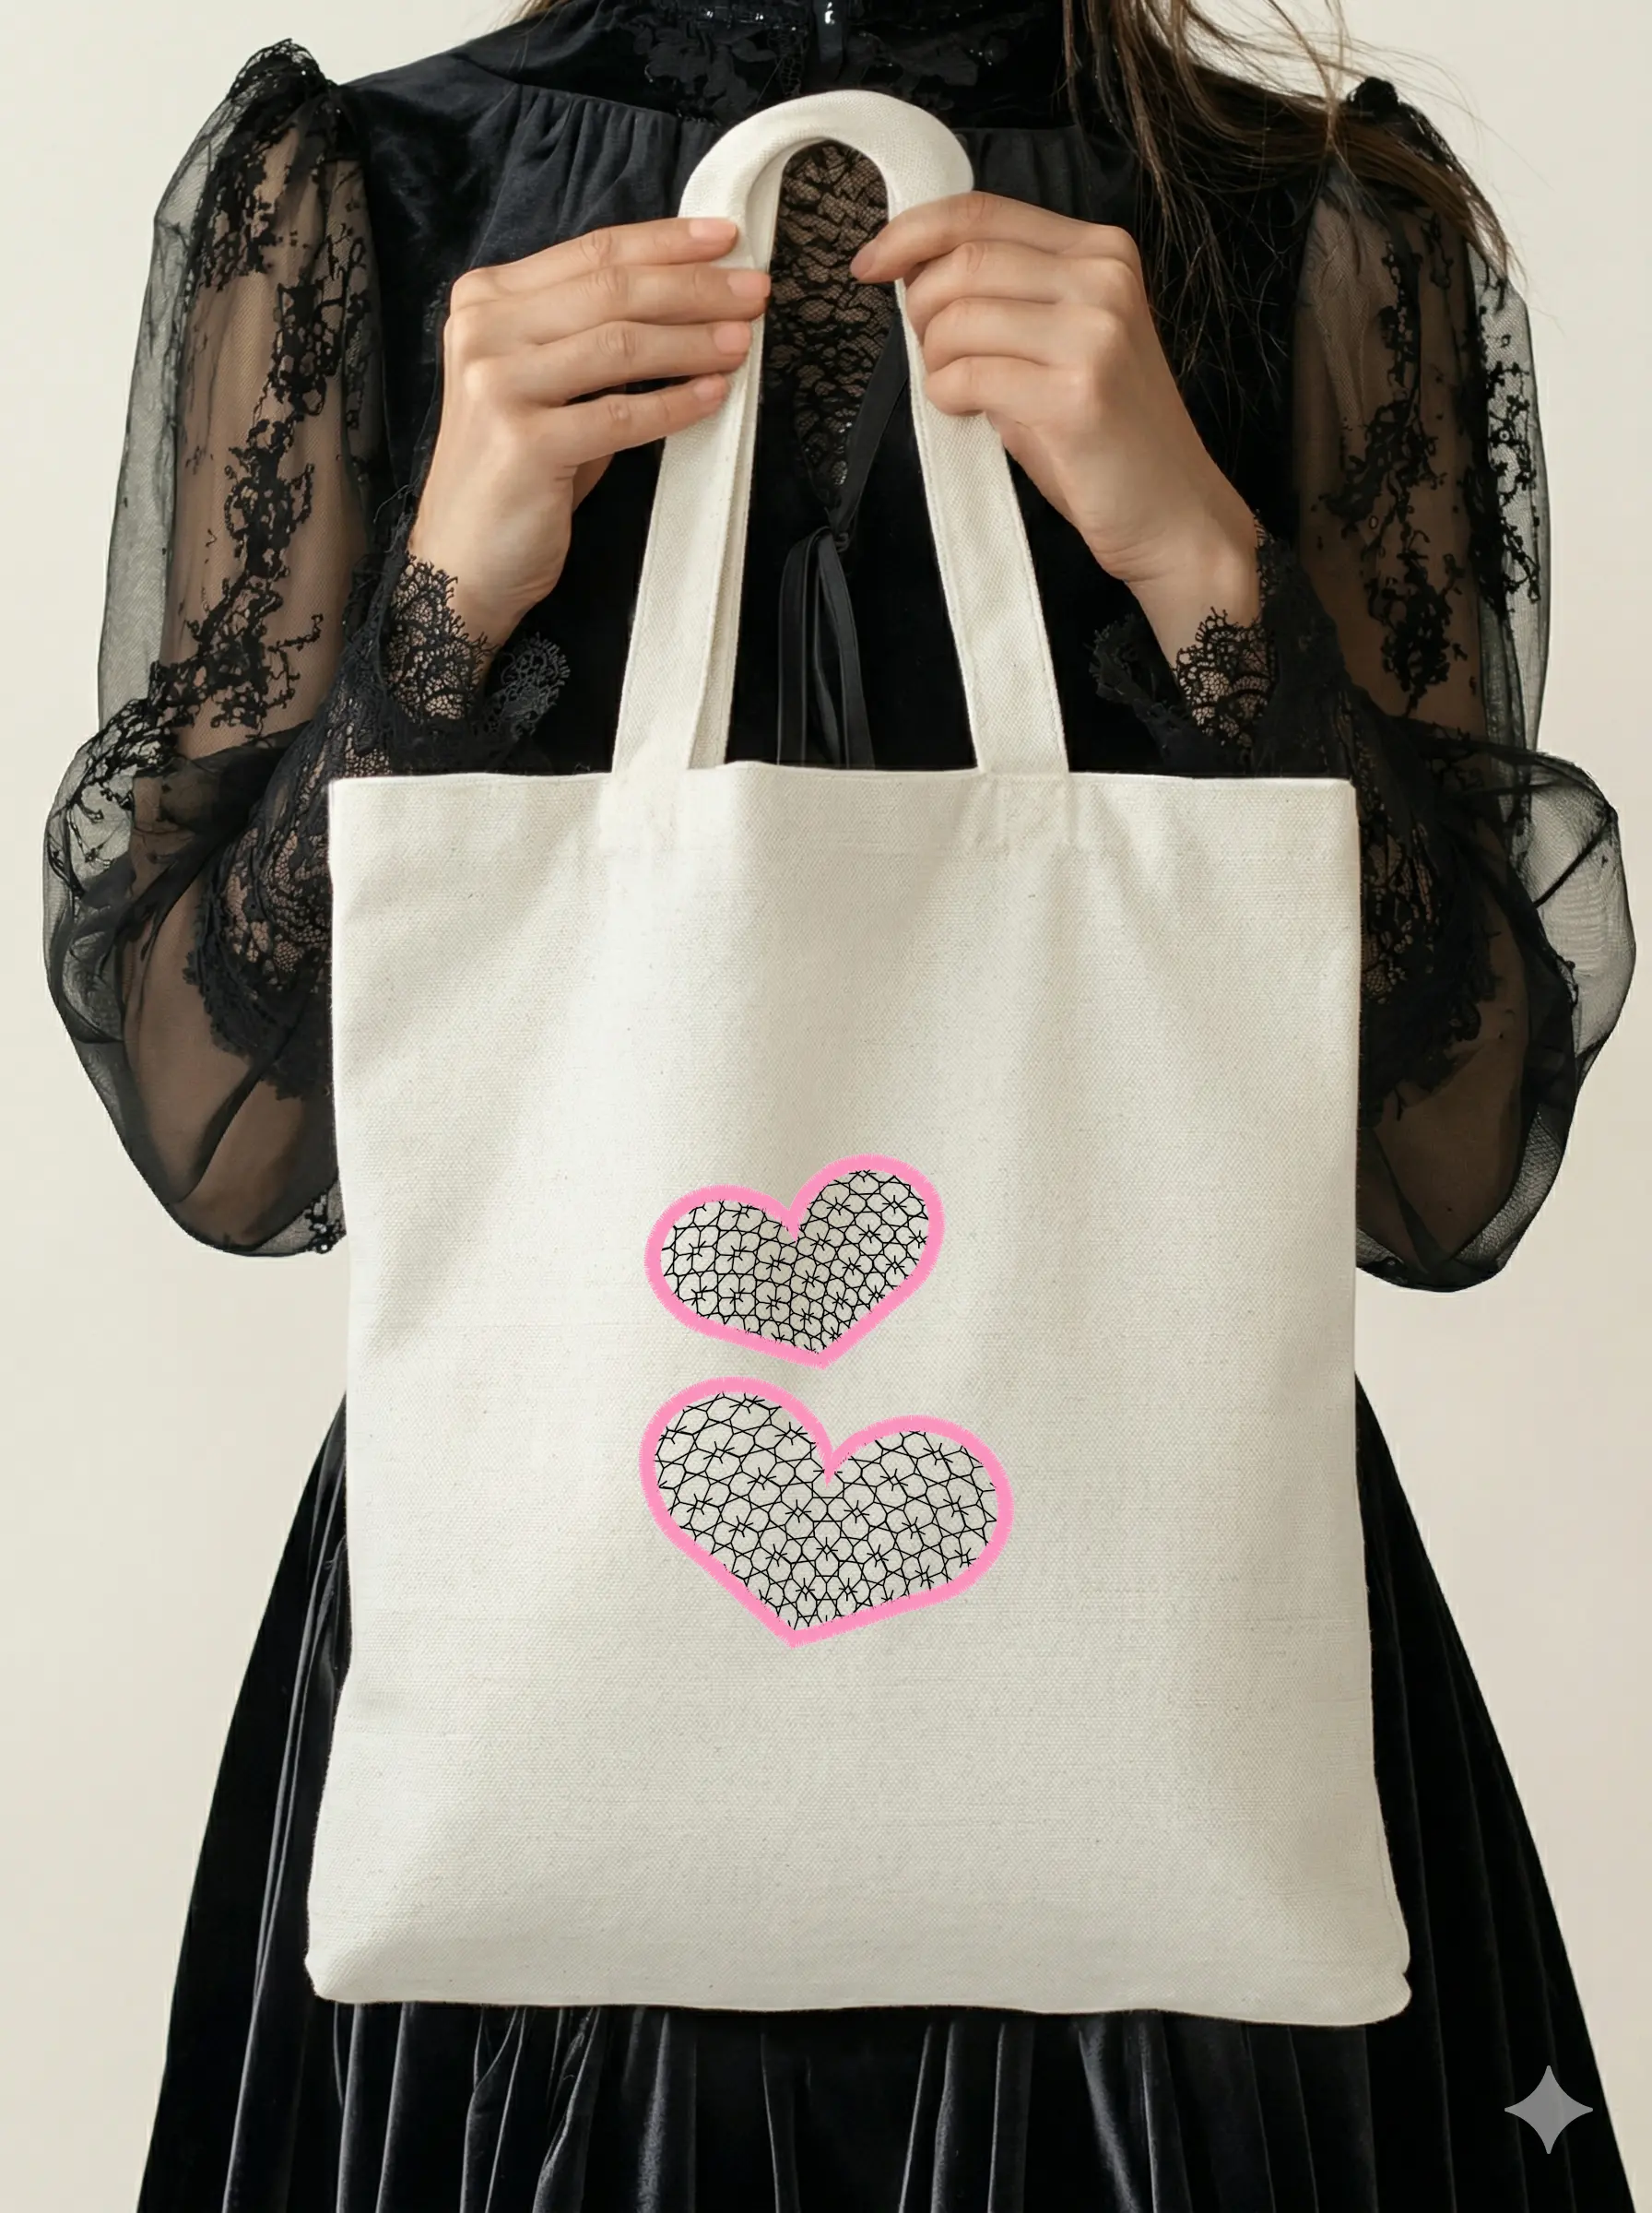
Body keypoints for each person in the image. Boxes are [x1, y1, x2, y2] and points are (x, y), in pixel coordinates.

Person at [41, 1, 1638, 2206]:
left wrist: (1201, 567)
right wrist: (443, 598)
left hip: (1153, 1639)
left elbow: (1434, 1171)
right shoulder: (367, 203)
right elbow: (228, 1137)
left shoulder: (1315, 226)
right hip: (547, 1627)